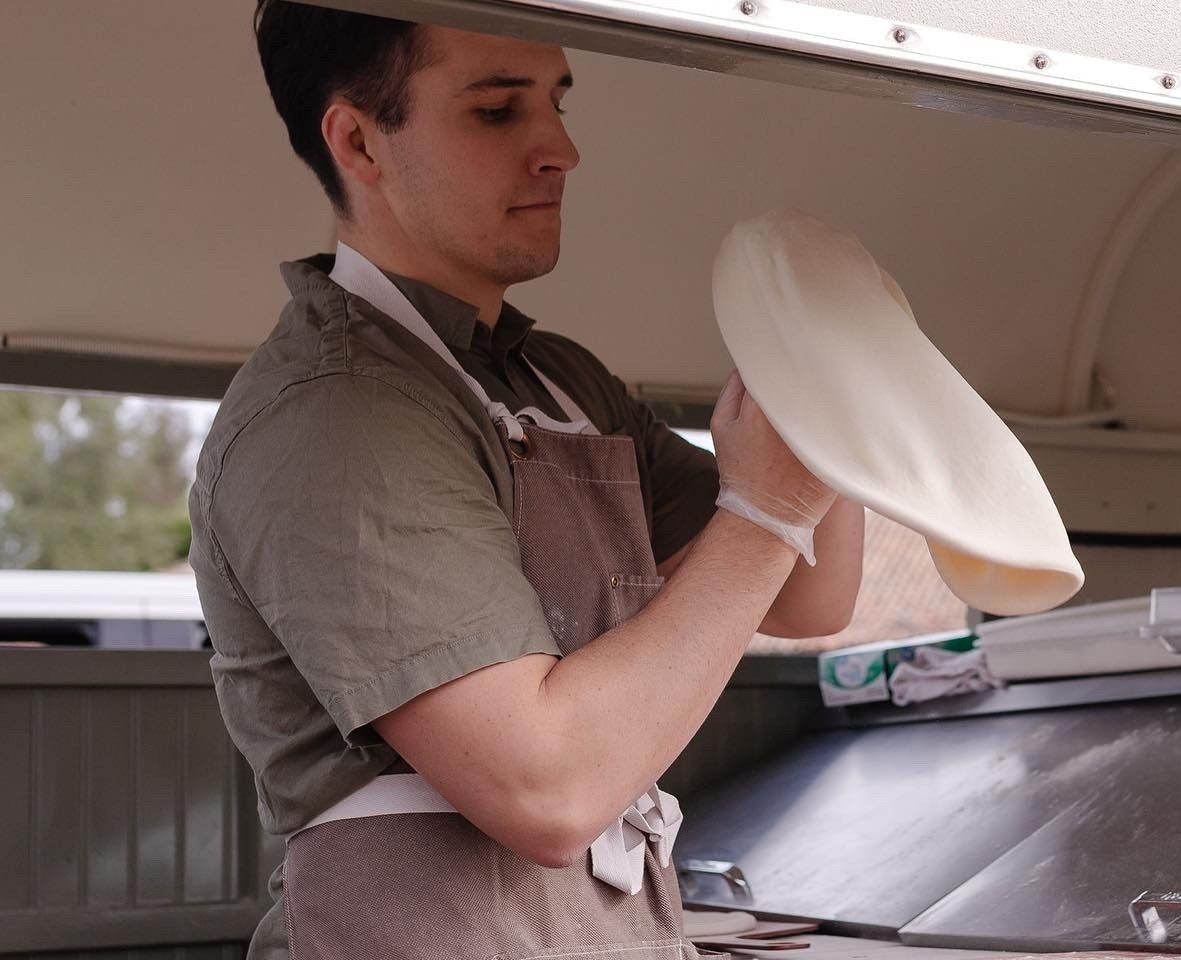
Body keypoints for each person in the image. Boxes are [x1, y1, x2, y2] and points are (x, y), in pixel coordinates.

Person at [187, 4, 866, 959]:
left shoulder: (560, 380)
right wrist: (771, 508)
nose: (561, 150)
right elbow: (545, 791)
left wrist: (840, 401)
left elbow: (806, 591)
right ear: (358, 142)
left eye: (556, 101)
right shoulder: (337, 414)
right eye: (499, 112)